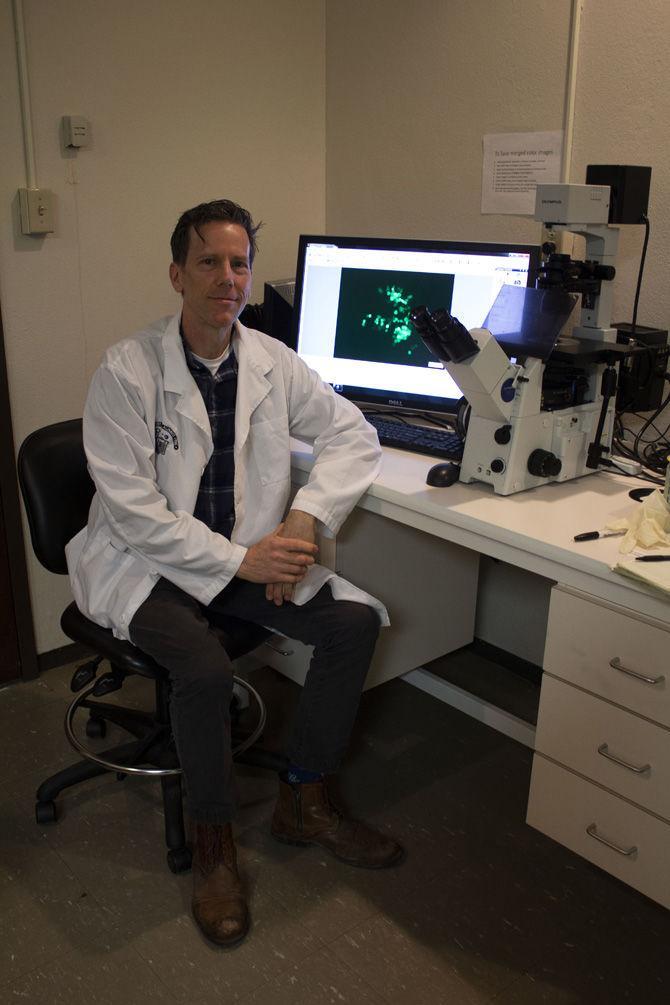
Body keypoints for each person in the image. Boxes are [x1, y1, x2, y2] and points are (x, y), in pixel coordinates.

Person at [66, 199, 403, 947]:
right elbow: (131, 512)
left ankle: (304, 799)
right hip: (145, 560)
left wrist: (304, 516)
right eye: (210, 262)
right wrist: (241, 559)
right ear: (177, 273)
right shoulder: (126, 370)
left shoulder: (273, 363)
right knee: (204, 666)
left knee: (351, 623)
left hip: (246, 551)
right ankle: (213, 847)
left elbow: (354, 434)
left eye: (240, 262)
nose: (228, 278)